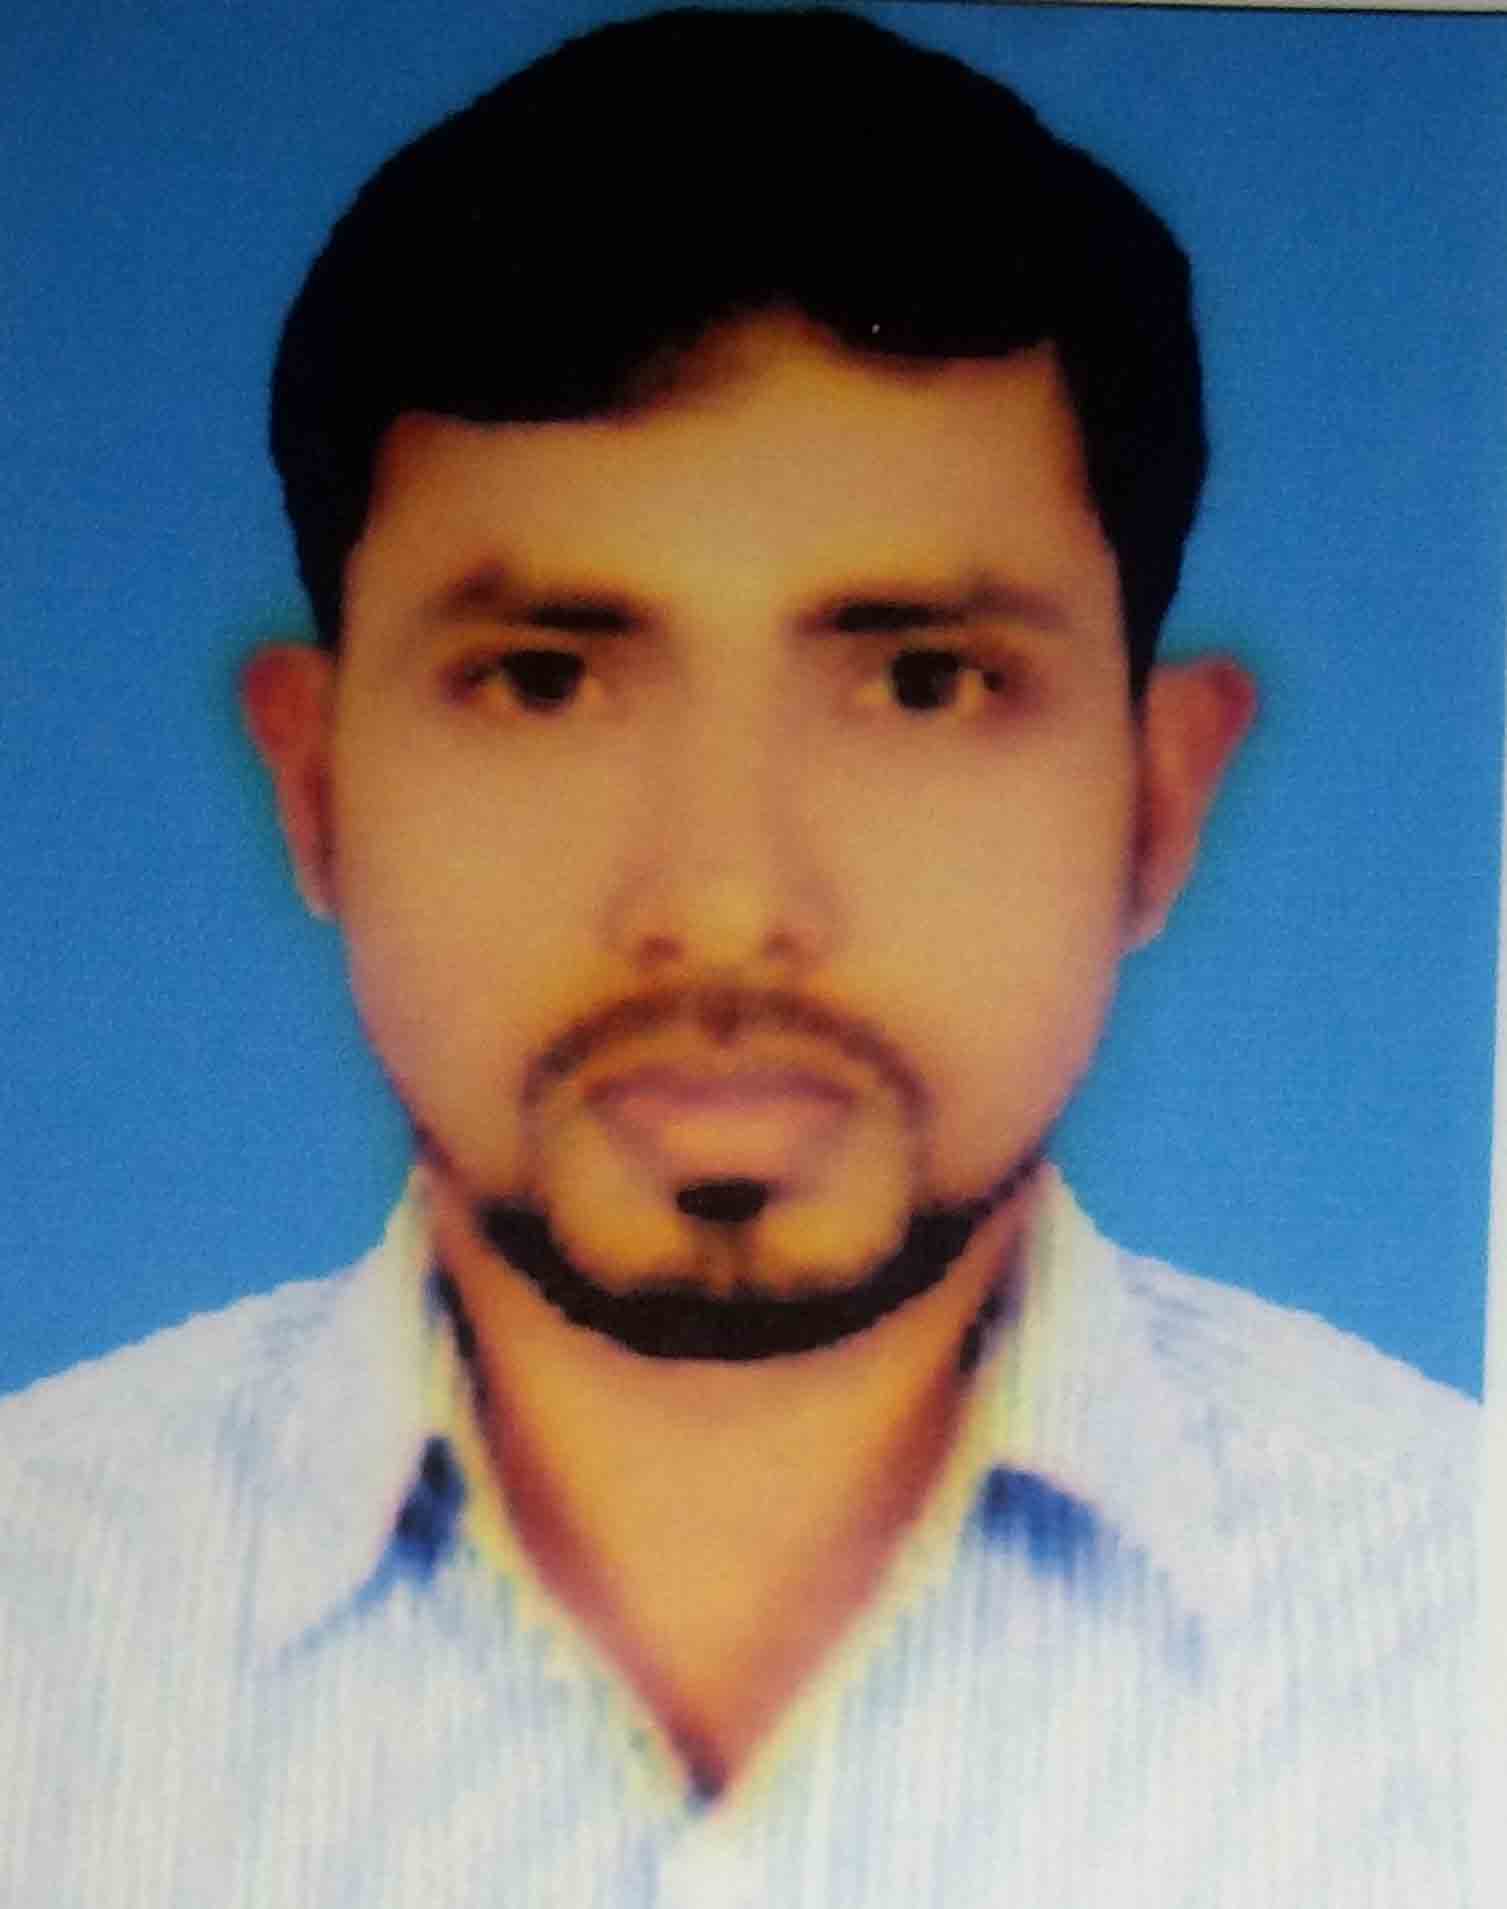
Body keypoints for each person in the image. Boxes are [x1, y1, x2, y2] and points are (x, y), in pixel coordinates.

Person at [0, 9, 1477, 1904]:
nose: (719, 898)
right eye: (544, 681)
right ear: (317, 786)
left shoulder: (1460, 1614)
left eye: (923, 683)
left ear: (1159, 799)